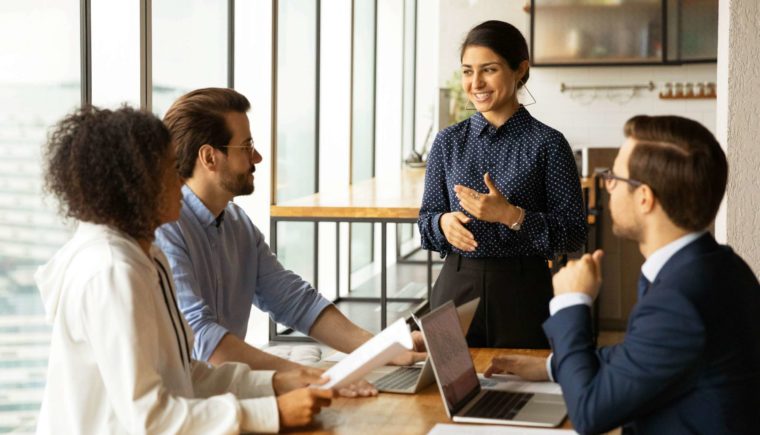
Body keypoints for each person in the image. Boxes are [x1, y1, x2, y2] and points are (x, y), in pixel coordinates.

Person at [36, 106, 335, 434]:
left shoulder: (146, 255)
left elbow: (183, 374)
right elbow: (150, 419)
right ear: (134, 184)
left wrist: (277, 382)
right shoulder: (111, 272)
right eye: (168, 169)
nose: (181, 179)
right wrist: (270, 413)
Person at [485, 115, 760, 434]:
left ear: (645, 197)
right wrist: (553, 365)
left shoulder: (680, 298)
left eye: (615, 176)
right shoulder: (719, 266)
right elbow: (644, 354)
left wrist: (572, 302)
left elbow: (590, 414)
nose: (608, 184)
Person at [155, 88, 424, 377]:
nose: (256, 157)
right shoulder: (165, 231)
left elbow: (295, 301)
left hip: (229, 389)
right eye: (246, 147)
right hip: (187, 400)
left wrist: (383, 347)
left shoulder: (237, 223)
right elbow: (203, 342)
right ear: (209, 157)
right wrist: (305, 377)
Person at [418, 20, 586, 348]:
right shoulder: (447, 142)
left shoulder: (549, 143)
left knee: (522, 392)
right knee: (444, 392)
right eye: (468, 71)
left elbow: (574, 233)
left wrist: (511, 215)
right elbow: (425, 222)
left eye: (489, 70)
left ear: (519, 70)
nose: (476, 82)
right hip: (455, 284)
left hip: (522, 292)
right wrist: (442, 223)